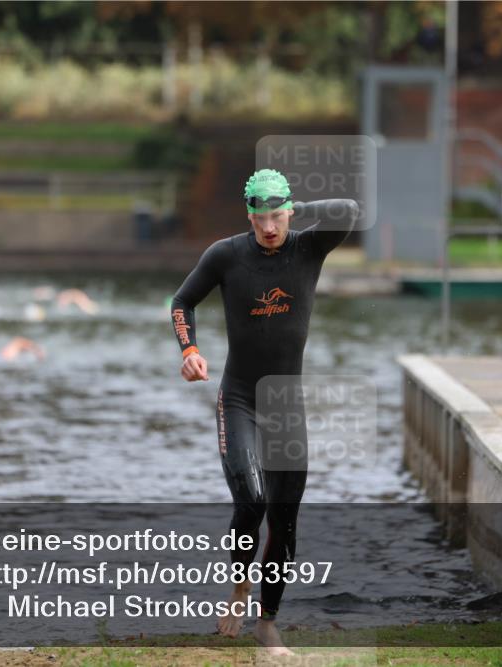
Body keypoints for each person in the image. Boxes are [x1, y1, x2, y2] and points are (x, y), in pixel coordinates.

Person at [171, 168, 358, 656]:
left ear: (288, 212)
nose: (270, 228)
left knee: (285, 517)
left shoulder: (309, 247)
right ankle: (238, 591)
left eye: (277, 216)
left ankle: (267, 622)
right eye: (260, 218)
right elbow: (182, 301)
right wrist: (189, 349)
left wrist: (299, 210)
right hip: (239, 399)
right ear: (248, 216)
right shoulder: (226, 255)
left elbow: (349, 212)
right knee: (251, 500)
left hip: (286, 404)